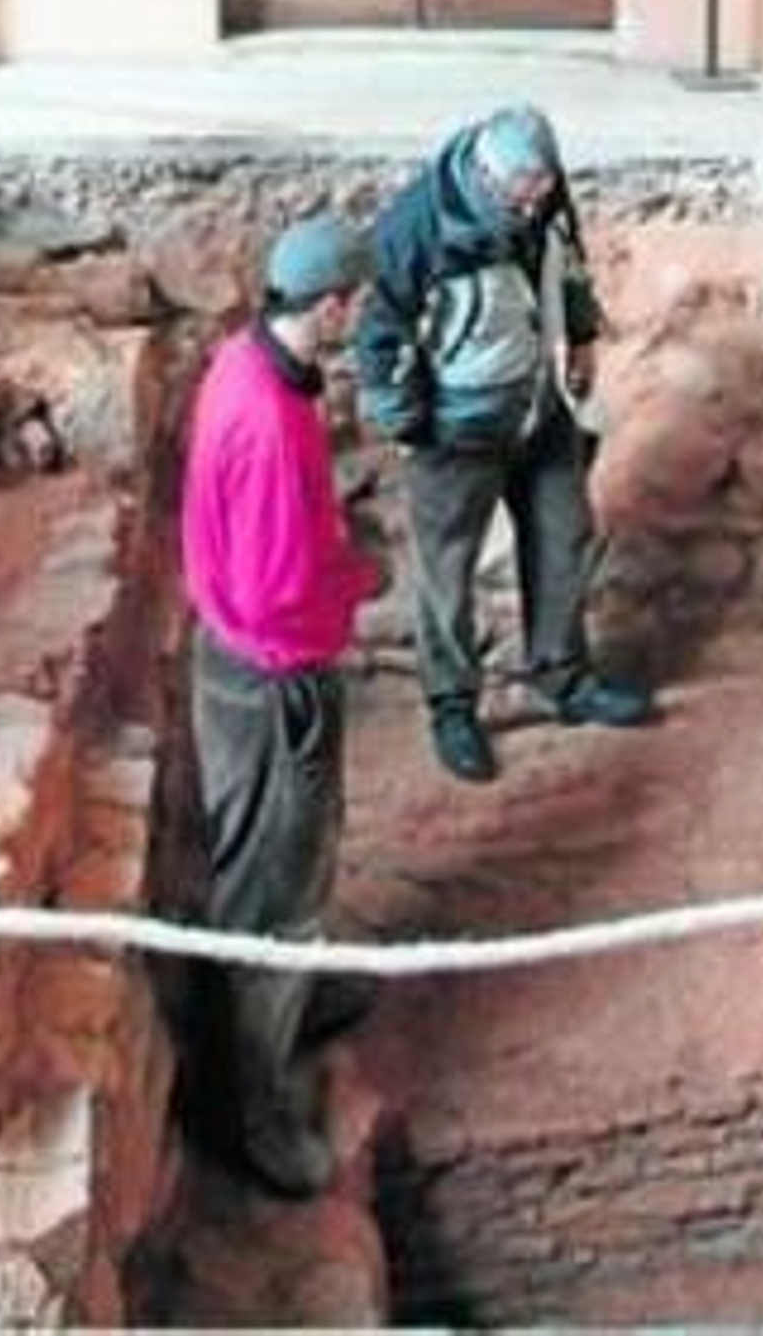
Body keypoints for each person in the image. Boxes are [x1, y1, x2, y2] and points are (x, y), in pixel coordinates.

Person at [355, 103, 657, 785]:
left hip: (535, 402)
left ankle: (563, 674)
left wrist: (579, 335)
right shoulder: (415, 228)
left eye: (543, 190)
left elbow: (568, 257)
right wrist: (409, 423)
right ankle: (452, 702)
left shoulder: (543, 193)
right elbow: (378, 336)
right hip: (455, 428)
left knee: (563, 535)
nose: (535, 206)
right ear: (489, 179)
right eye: (522, 195)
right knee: (447, 573)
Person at [181, 212, 380, 1199]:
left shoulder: (251, 363)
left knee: (298, 855)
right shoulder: (265, 416)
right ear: (332, 304)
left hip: (259, 659)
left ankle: (292, 1004)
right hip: (269, 675)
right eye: (357, 302)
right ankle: (249, 1102)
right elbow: (271, 587)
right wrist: (356, 578)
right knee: (272, 890)